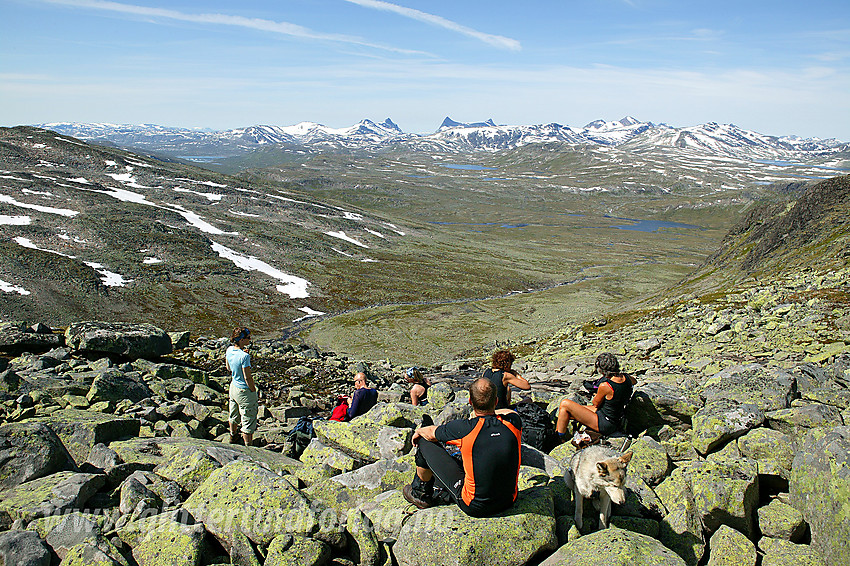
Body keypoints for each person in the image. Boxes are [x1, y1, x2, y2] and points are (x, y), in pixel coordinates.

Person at [402, 377, 523, 517]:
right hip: (509, 500)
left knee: (424, 442)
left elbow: (431, 434)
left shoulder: (464, 428)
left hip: (475, 506)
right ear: (496, 402)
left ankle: (420, 493)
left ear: (471, 402)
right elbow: (510, 412)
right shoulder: (514, 423)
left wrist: (419, 432)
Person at [555, 352, 636, 441]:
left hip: (605, 423)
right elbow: (634, 382)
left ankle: (559, 438)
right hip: (615, 417)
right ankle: (559, 434)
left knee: (565, 404)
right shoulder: (627, 378)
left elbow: (595, 404)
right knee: (565, 409)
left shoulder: (606, 386)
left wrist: (597, 394)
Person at [227, 327, 257, 446]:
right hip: (244, 390)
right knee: (248, 419)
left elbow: (228, 368)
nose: (250, 340)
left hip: (233, 387)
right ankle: (248, 447)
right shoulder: (245, 357)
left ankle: (232, 436)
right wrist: (253, 389)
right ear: (241, 340)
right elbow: (247, 377)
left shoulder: (229, 350)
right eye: (247, 338)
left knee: (233, 414)